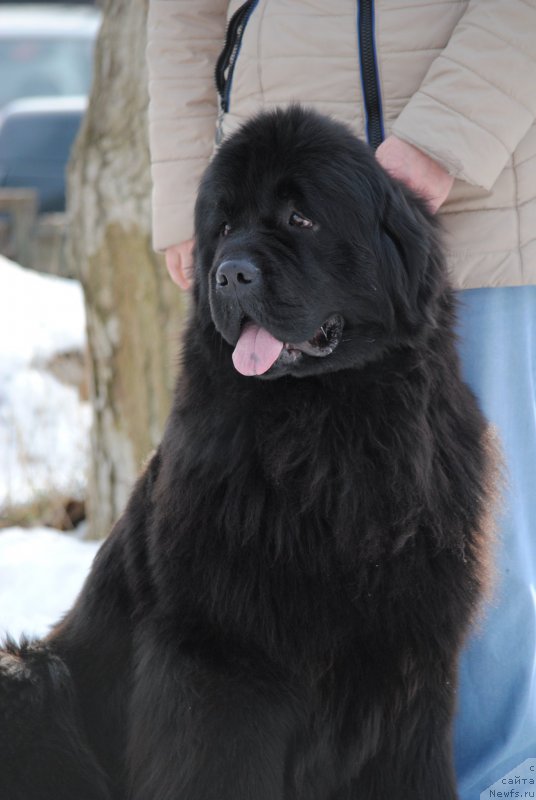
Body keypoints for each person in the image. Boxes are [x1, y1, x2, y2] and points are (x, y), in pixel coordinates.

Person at [146, 2, 536, 797]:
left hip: (481, 193)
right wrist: (197, 199)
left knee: (484, 552)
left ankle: (504, 779)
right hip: (269, 202)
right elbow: (183, 14)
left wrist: (445, 136)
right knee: (263, 567)